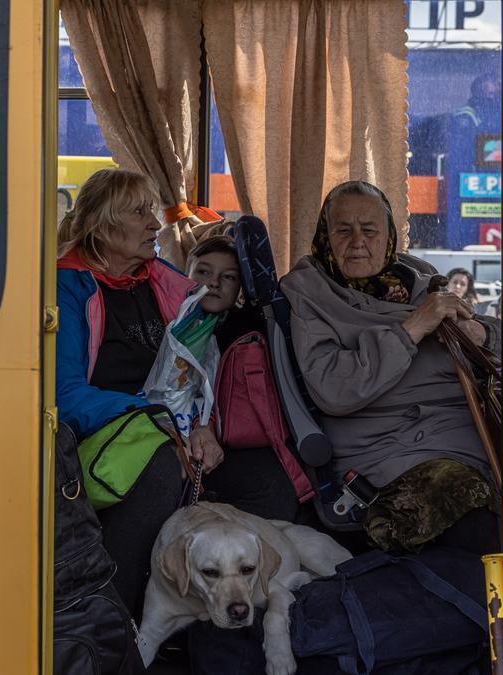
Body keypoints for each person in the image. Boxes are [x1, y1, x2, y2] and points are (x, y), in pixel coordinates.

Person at [279, 180, 502, 555]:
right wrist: (412, 329)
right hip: (394, 447)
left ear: (389, 236)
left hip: (470, 424)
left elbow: (491, 333)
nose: (357, 241)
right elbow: (333, 388)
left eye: (369, 230)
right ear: (324, 235)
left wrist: (479, 332)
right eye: (342, 230)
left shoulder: (418, 277)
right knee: (482, 518)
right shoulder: (308, 292)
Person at [55, 168, 196, 619]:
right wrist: (153, 417)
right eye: (140, 212)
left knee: (256, 470)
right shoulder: (67, 286)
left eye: (152, 211)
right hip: (98, 434)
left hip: (170, 423)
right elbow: (65, 394)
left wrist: (206, 424)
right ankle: (113, 623)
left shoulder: (163, 280)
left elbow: (198, 366)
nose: (155, 224)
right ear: (102, 222)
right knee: (157, 469)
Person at [184, 236, 308, 523]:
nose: (213, 283)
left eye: (227, 277)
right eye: (203, 272)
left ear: (240, 287)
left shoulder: (249, 329)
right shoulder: (171, 325)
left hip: (237, 440)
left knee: (271, 482)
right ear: (185, 273)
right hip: (185, 435)